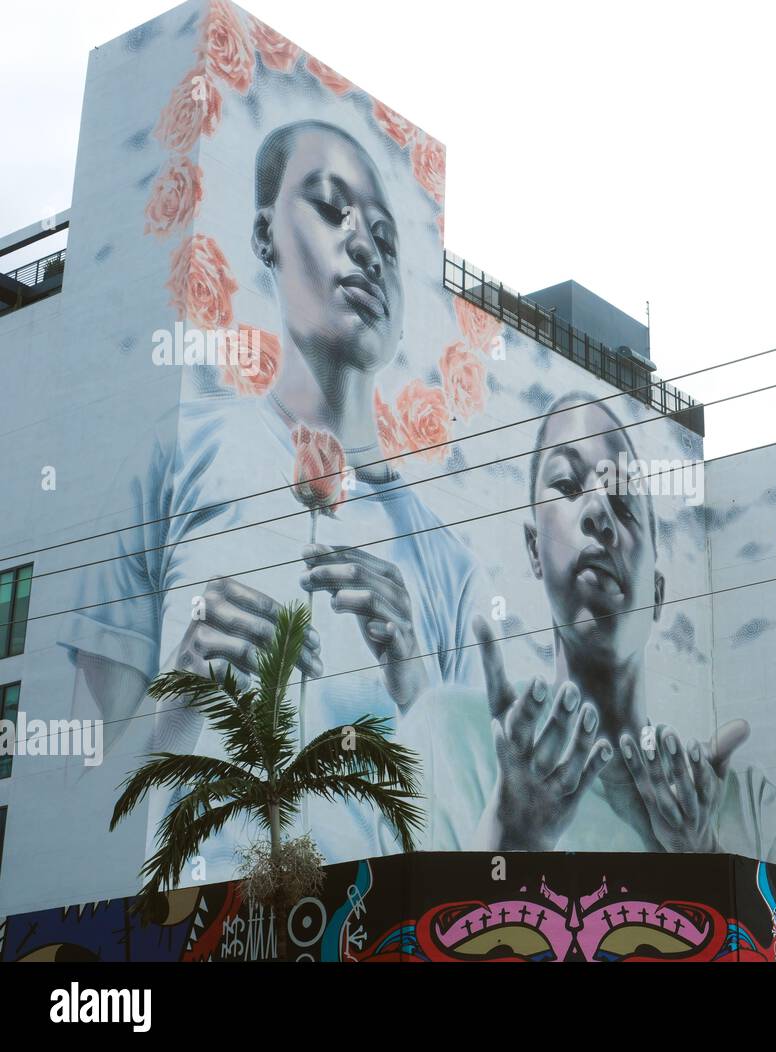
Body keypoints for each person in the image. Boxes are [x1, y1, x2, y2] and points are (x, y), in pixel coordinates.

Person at [60, 120, 483, 874]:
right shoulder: (178, 456)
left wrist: (413, 678)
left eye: (387, 238)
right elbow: (69, 810)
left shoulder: (444, 558)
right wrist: (182, 696)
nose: (366, 248)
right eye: (328, 207)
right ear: (263, 234)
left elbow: (484, 842)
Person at [429, 392, 776, 862]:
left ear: (658, 593)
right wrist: (510, 830)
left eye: (624, 506)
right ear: (532, 548)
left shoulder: (745, 801)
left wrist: (702, 854)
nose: (599, 513)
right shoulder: (451, 738)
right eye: (567, 484)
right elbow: (407, 929)